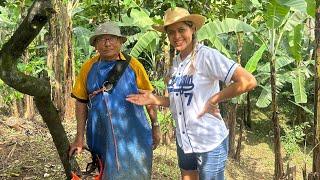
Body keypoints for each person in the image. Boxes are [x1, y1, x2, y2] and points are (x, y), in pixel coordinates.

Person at [126, 7, 257, 180]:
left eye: (181, 30)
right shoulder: (176, 63)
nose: (176, 36)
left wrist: (215, 98)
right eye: (171, 32)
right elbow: (181, 101)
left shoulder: (207, 56)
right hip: (184, 141)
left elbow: (248, 81)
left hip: (208, 142)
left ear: (193, 29)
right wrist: (154, 99)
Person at [68, 21, 161, 180]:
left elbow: (149, 98)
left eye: (111, 38)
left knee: (136, 172)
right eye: (101, 39)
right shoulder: (88, 68)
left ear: (120, 42)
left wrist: (155, 126)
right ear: (95, 44)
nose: (107, 43)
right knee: (106, 172)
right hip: (101, 133)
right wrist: (79, 137)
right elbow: (81, 102)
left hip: (134, 134)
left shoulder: (134, 66)